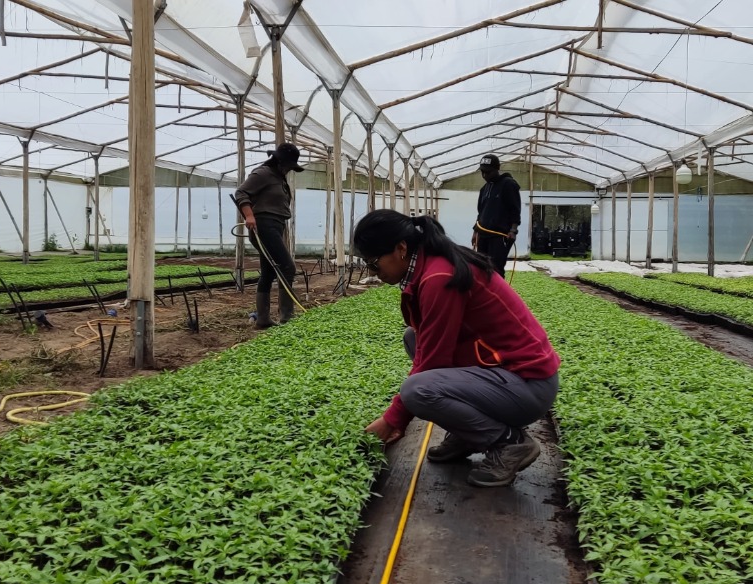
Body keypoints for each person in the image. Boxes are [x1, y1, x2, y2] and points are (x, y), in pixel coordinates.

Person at [353, 209, 560, 487]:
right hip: (509, 375)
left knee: (417, 391)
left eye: (374, 263)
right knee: (412, 338)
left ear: (401, 249)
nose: (373, 273)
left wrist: (392, 420)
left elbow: (433, 362)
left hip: (527, 385)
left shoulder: (438, 277)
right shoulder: (432, 265)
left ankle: (510, 443)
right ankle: (469, 434)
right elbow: (428, 346)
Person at [235, 142, 304, 329]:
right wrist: (249, 215)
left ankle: (263, 319)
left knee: (269, 271)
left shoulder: (278, 177)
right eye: (288, 166)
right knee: (287, 267)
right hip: (264, 226)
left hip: (276, 225)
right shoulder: (263, 173)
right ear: (279, 162)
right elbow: (241, 192)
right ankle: (287, 317)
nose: (289, 170)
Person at [473, 154, 521, 278]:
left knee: (496, 269)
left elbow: (515, 209)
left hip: (499, 236)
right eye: (482, 172)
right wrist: (475, 231)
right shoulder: (484, 189)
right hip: (483, 235)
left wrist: (513, 230)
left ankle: (497, 290)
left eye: (488, 172)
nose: (485, 175)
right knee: (482, 267)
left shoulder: (508, 184)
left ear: (497, 168)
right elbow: (481, 212)